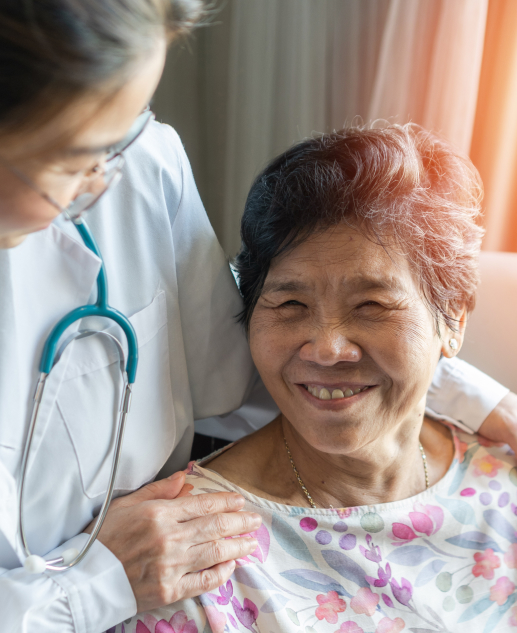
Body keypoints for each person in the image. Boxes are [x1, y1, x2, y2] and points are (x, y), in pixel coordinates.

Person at [0, 2, 515, 632]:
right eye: (76, 153)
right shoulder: (211, 585)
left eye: (126, 130)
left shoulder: (140, 162)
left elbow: (253, 339)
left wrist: (441, 369)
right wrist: (89, 590)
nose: (106, 182)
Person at [123, 124, 517, 633]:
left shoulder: (502, 475)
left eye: (372, 305)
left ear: (455, 319)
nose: (327, 348)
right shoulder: (188, 560)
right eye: (290, 304)